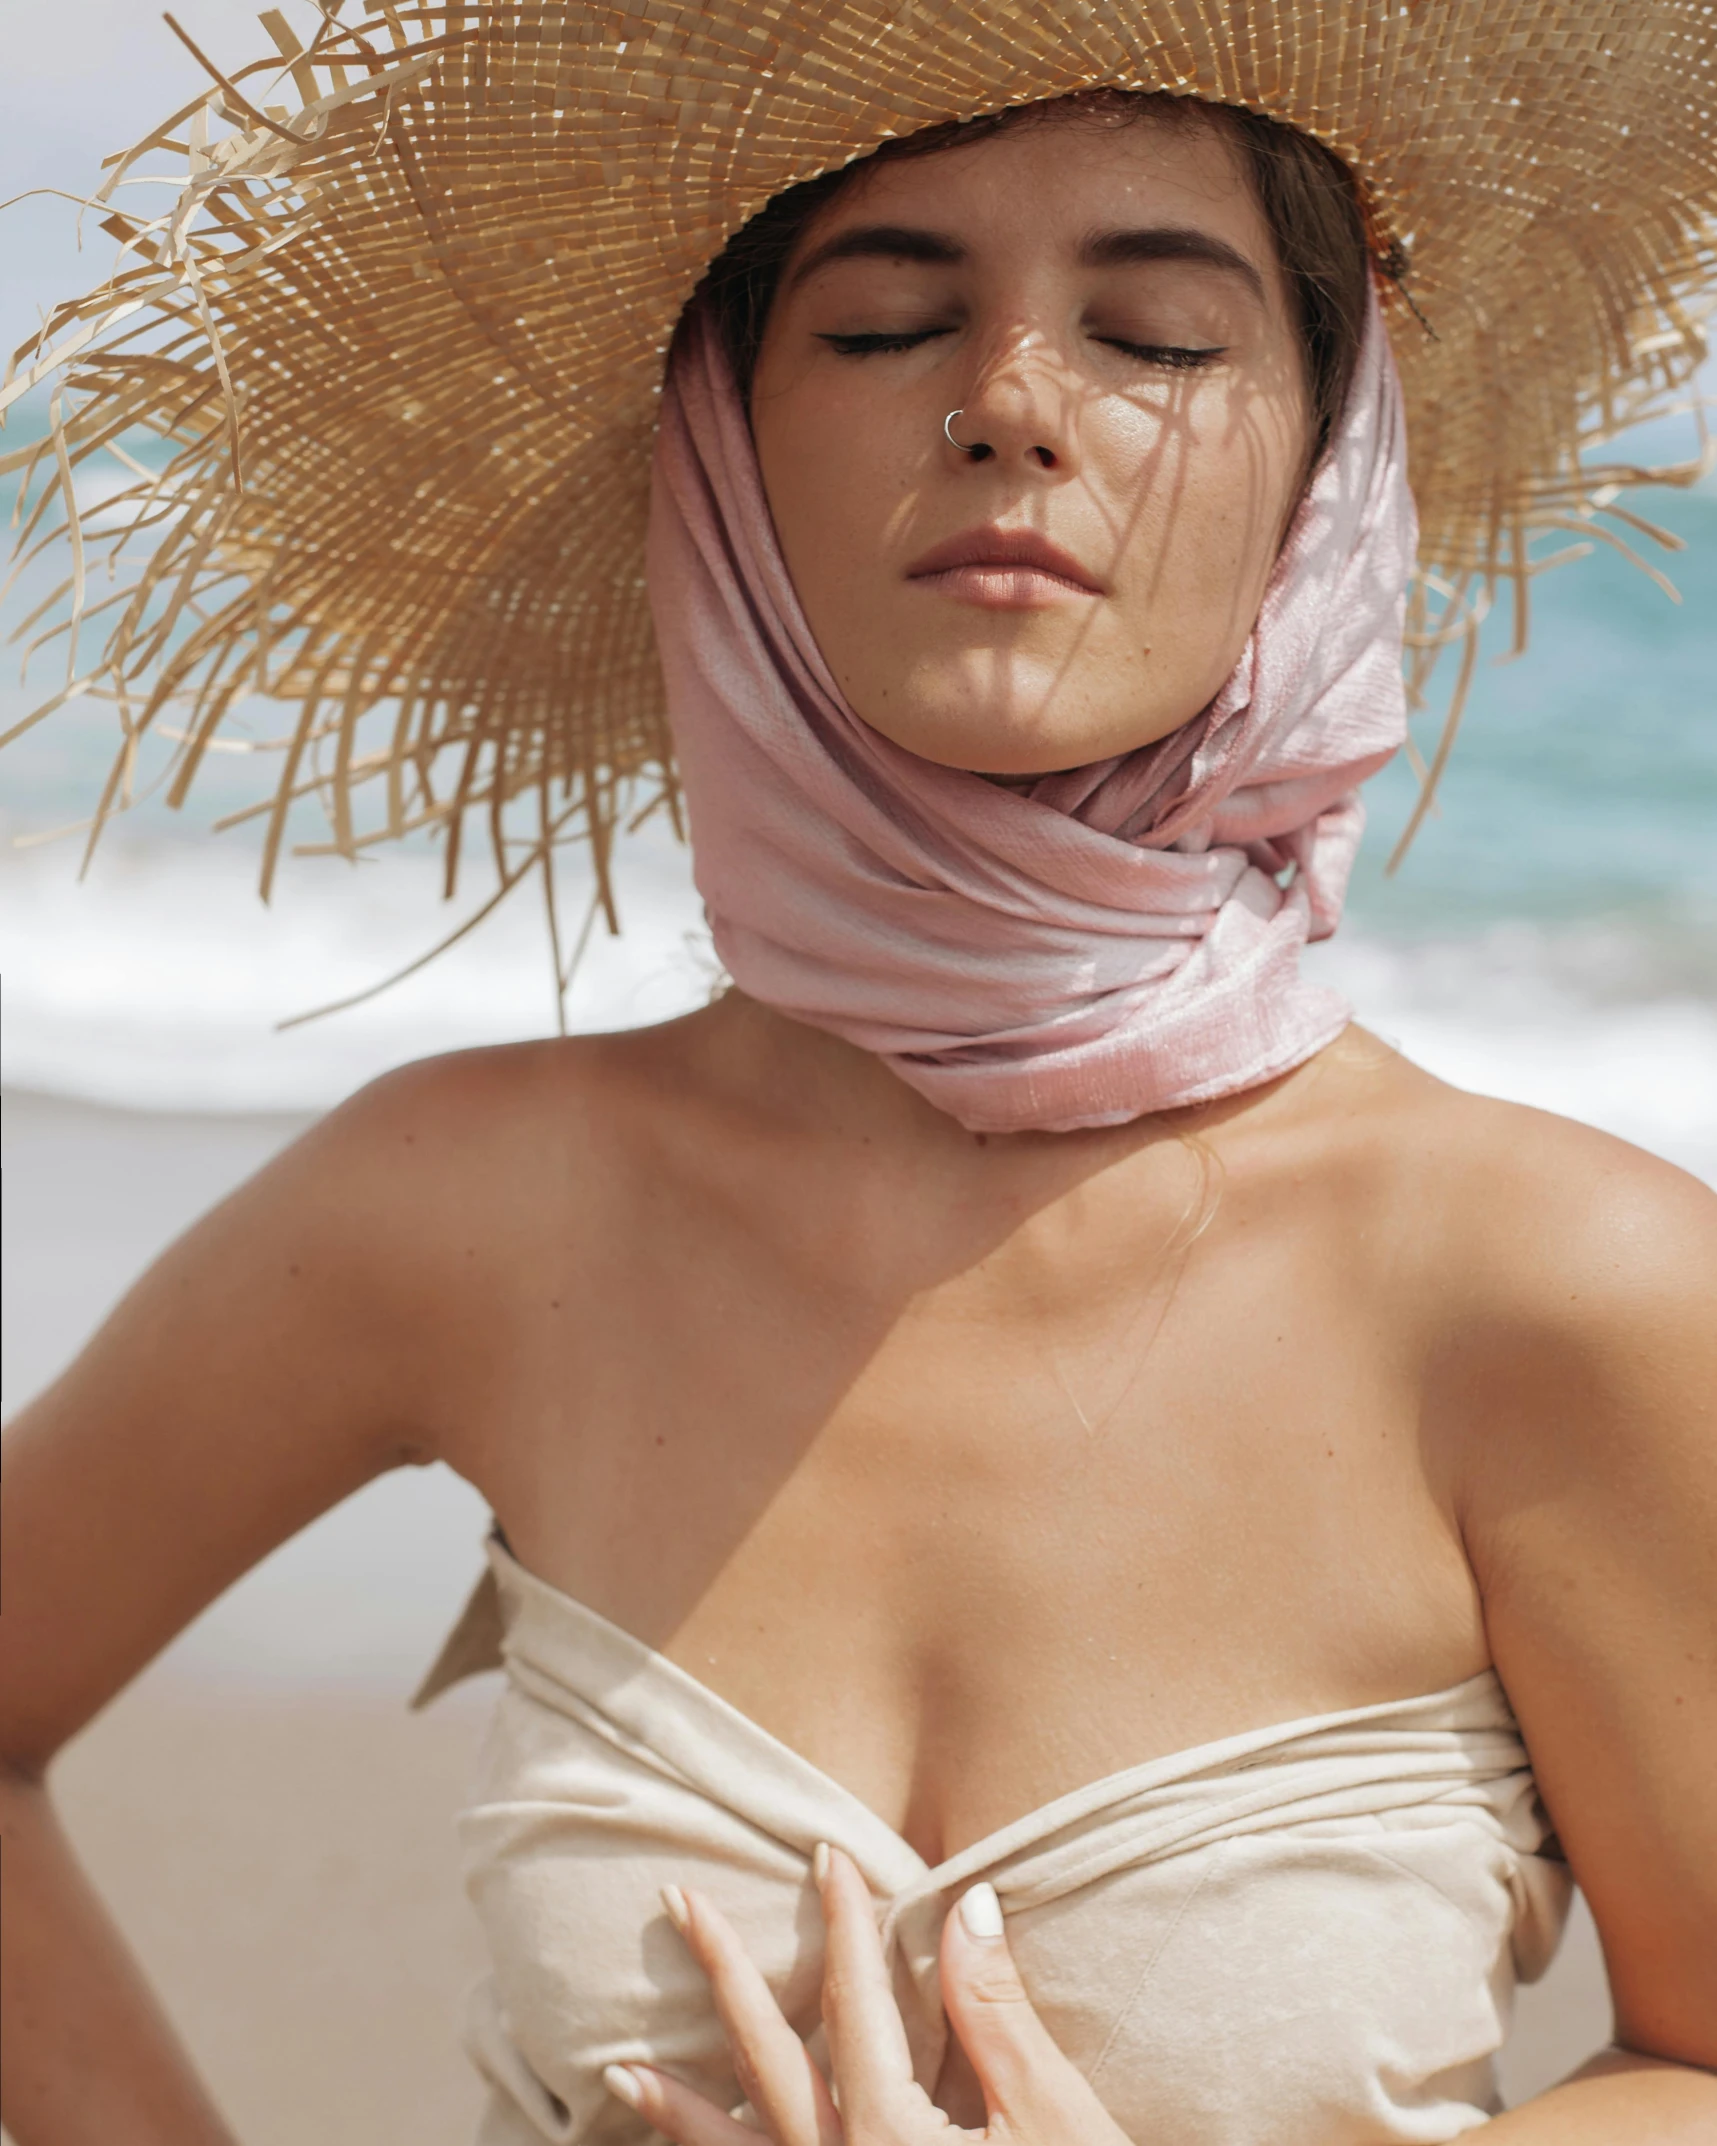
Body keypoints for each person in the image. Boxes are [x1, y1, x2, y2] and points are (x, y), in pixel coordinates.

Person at [2, 7, 1715, 2145]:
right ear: (718, 443)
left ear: (1327, 457)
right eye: (891, 318)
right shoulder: (467, 1209)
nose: (1010, 402)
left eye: (1163, 339)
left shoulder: (1569, 1284)